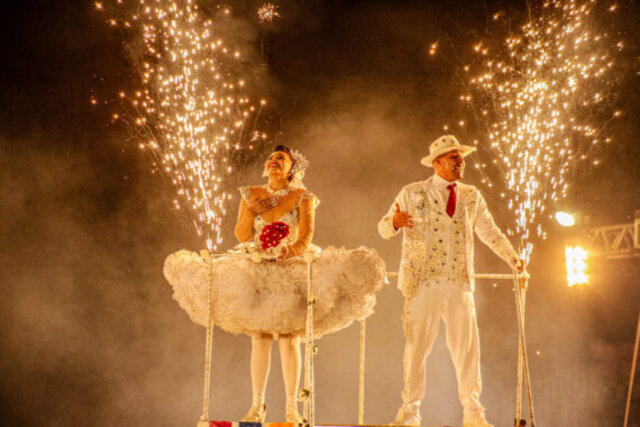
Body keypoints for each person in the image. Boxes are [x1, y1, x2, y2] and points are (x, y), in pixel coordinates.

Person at [164, 145, 386, 423]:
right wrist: (253, 216)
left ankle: (292, 407)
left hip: (290, 270)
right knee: (260, 337)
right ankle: (257, 404)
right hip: (258, 267)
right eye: (270, 158)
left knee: (290, 338)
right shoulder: (252, 194)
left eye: (280, 158)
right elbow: (242, 234)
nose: (273, 161)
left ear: (291, 168)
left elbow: (305, 235)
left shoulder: (303, 197)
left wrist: (289, 250)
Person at [377, 135, 525, 427]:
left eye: (462, 157)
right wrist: (394, 222)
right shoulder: (412, 192)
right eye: (454, 158)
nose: (461, 162)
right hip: (423, 283)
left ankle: (473, 414)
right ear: (437, 162)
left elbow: (489, 232)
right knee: (416, 349)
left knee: (467, 350)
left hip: (458, 283)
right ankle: (409, 413)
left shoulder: (471, 195)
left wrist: (512, 258)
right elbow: (383, 228)